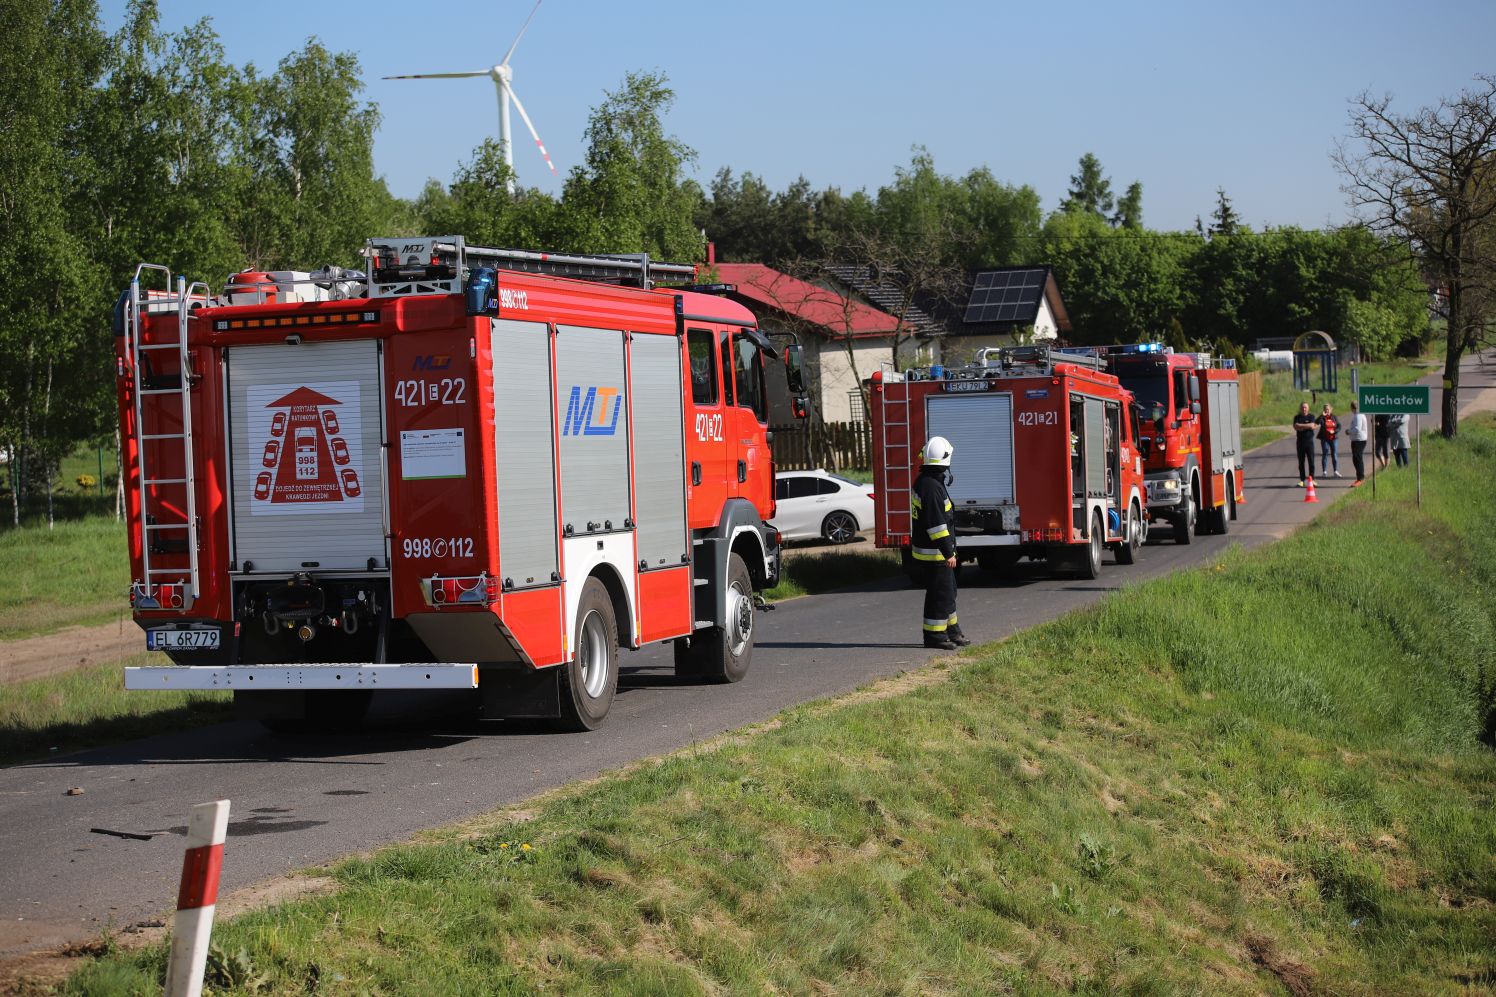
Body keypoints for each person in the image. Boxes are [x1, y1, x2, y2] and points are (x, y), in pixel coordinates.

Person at [911, 435, 969, 650]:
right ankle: (934, 636)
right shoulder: (931, 487)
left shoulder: (929, 482)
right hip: (935, 553)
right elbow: (935, 524)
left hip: (934, 551)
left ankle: (952, 632)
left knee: (948, 592)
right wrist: (948, 552)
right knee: (939, 594)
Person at [1343, 400, 1368, 487]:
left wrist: (1349, 431)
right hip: (1357, 440)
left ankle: (1360, 478)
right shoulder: (1358, 415)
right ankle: (1359, 478)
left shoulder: (1358, 416)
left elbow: (1357, 429)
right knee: (1356, 459)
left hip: (1359, 440)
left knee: (1358, 459)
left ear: (1352, 408)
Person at [1292, 402, 1317, 486]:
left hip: (1309, 442)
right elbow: (1296, 427)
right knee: (1301, 462)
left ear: (1308, 408)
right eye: (1302, 407)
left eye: (1305, 407)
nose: (1304, 409)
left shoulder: (1311, 416)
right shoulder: (1297, 417)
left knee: (1311, 461)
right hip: (1300, 442)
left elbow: (1312, 425)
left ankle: (1311, 479)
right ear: (1300, 408)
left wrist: (1301, 426)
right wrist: (1307, 426)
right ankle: (1302, 480)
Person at [1316, 403, 1341, 478]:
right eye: (1325, 409)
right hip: (1325, 439)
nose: (1326, 411)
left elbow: (1339, 426)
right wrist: (1321, 415)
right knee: (1325, 453)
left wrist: (1335, 431)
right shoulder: (1322, 418)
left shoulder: (1334, 417)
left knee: (1334, 454)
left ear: (1331, 409)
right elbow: (1316, 422)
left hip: (1333, 438)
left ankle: (1335, 471)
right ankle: (1324, 472)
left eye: (1328, 409)